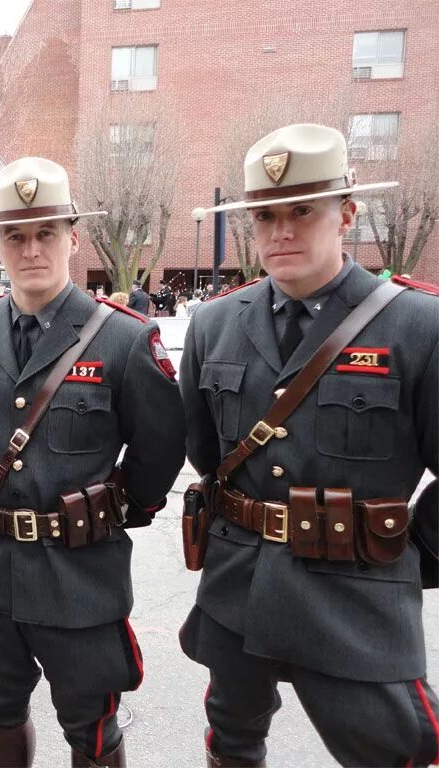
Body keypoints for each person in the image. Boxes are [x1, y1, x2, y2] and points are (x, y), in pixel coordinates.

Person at [179, 123, 438, 766]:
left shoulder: (416, 326)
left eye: (302, 211)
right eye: (265, 216)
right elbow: (206, 452)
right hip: (238, 585)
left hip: (357, 594)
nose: (282, 231)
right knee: (232, 738)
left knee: (396, 748)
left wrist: (405, 550)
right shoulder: (215, 324)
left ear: (346, 215)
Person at [0, 156, 186, 766]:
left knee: (90, 721)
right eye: (16, 236)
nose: (31, 249)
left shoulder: (123, 338)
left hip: (79, 571)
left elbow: (160, 450)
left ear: (72, 238)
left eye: (46, 233)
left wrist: (105, 510)